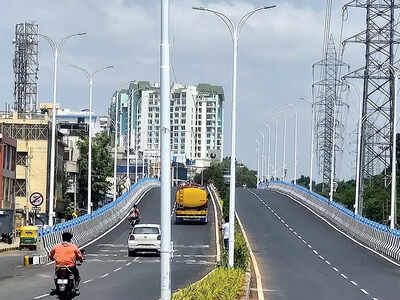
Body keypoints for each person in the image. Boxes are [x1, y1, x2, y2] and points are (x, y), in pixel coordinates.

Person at [49, 232, 83, 296]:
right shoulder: (73, 247)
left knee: (56, 276)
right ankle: (76, 288)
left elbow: (51, 255)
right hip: (70, 267)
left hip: (59, 267)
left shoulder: (56, 246)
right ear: (70, 239)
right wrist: (81, 260)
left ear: (62, 238)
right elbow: (79, 256)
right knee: (77, 276)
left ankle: (57, 288)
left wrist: (52, 259)